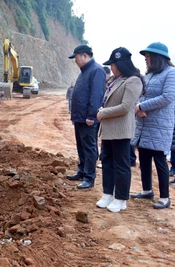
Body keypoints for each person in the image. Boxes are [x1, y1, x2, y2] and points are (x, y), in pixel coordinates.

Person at [130, 42, 175, 209]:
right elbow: (139, 94)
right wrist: (137, 106)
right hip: (144, 124)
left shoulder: (172, 73)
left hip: (160, 125)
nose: (146, 59)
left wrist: (142, 106)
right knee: (143, 157)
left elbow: (168, 97)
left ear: (158, 57)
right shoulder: (149, 75)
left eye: (148, 56)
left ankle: (165, 197)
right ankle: (147, 190)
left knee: (159, 160)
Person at [95, 47, 143, 212]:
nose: (112, 68)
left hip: (121, 130)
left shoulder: (133, 81)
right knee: (107, 162)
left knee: (121, 165)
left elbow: (125, 106)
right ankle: (107, 193)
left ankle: (121, 198)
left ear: (121, 64)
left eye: (113, 65)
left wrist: (103, 113)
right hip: (108, 129)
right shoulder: (115, 80)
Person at [66, 44, 106, 189]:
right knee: (81, 146)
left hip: (88, 119)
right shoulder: (84, 71)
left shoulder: (96, 71)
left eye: (76, 57)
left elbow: (96, 96)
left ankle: (89, 177)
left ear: (84, 55)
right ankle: (82, 170)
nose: (75, 61)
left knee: (89, 147)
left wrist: (91, 115)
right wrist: (74, 116)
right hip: (79, 118)